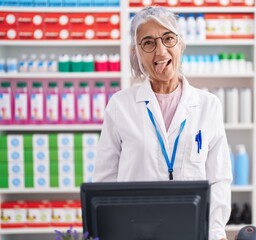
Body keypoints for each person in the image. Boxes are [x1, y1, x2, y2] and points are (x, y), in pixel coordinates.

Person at [93, 6, 232, 240]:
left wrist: (215, 233)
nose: (160, 51)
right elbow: (104, 182)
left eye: (168, 38)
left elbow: (219, 179)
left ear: (180, 44)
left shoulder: (209, 105)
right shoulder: (120, 106)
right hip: (134, 232)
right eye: (148, 43)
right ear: (137, 53)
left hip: (193, 232)